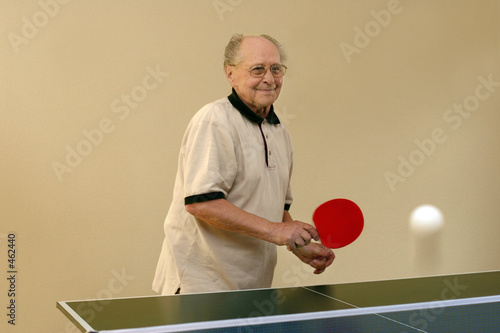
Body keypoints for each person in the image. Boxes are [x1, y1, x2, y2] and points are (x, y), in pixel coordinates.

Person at [153, 34, 334, 295]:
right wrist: (276, 231)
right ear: (230, 73)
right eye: (257, 69)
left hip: (252, 287)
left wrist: (299, 246)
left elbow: (274, 210)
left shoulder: (278, 130)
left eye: (276, 68)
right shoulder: (214, 121)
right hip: (202, 287)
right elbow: (201, 203)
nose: (269, 78)